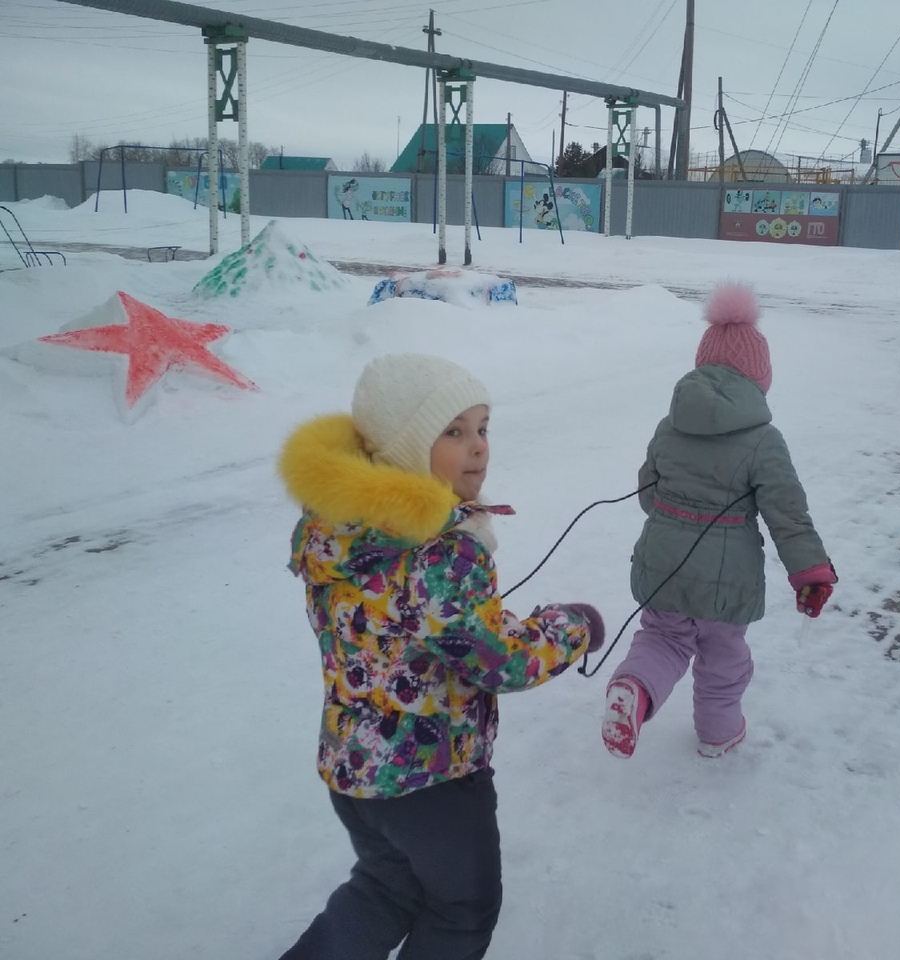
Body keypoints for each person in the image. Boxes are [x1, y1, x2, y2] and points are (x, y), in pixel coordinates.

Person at [277, 353, 604, 960]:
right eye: (453, 431)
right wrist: (570, 627)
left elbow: (420, 628)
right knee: (462, 911)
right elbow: (498, 662)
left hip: (355, 769)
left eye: (482, 427)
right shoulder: (441, 555)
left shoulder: (339, 531)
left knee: (385, 888)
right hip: (431, 779)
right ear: (404, 450)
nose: (478, 446)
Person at [602, 283, 836, 760]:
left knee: (663, 639)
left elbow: (649, 493)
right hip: (729, 583)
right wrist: (810, 572)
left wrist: (676, 517)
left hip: (663, 565)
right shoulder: (764, 440)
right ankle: (718, 733)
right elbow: (787, 513)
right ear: (759, 378)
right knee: (723, 658)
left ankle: (634, 689)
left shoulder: (670, 425)